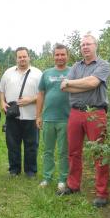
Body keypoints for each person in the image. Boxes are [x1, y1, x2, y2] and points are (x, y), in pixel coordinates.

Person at [58, 34, 110, 207]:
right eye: (82, 45)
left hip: (95, 113)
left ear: (96, 46)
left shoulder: (103, 65)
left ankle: (102, 193)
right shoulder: (76, 66)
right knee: (74, 151)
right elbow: (64, 87)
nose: (85, 47)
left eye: (88, 44)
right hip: (75, 113)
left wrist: (72, 83)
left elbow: (92, 83)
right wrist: (72, 84)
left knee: (99, 152)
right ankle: (73, 185)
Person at [0, 47, 42, 177]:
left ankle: (30, 171)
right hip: (13, 115)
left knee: (31, 145)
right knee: (12, 144)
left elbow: (43, 94)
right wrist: (2, 102)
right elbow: (1, 90)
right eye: (20, 57)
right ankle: (14, 170)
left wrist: (31, 99)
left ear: (29, 57)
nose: (22, 59)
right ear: (16, 58)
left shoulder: (38, 74)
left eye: (24, 56)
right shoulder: (8, 73)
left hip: (31, 115)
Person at [36, 43, 70, 190]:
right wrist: (38, 116)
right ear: (53, 56)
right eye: (57, 54)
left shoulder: (73, 72)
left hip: (66, 118)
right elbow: (41, 94)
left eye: (63, 54)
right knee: (48, 150)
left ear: (67, 56)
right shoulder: (46, 73)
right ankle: (47, 177)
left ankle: (63, 178)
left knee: (64, 151)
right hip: (49, 118)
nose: (60, 57)